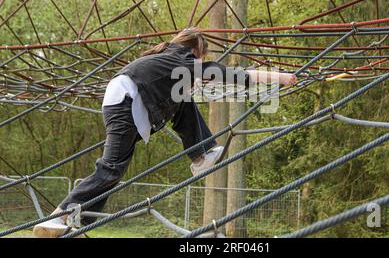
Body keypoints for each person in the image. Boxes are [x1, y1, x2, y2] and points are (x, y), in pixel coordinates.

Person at [32, 28, 297, 237]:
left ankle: (75, 223)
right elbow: (226, 73)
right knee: (110, 169)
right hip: (126, 103)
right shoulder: (181, 60)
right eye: (201, 57)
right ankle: (58, 215)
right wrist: (278, 77)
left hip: (127, 102)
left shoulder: (165, 59)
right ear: (195, 51)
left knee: (115, 172)